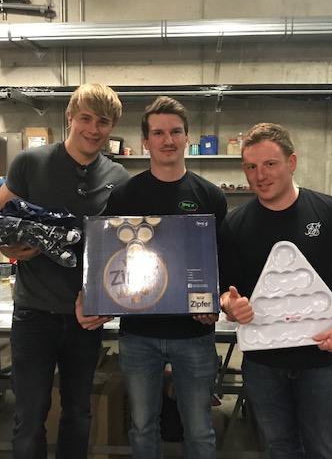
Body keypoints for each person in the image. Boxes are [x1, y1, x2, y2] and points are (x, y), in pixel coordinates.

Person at [218, 122, 332, 459]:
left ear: (291, 163)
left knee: (322, 449)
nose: (260, 175)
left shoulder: (331, 212)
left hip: (320, 359)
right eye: (251, 167)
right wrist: (229, 305)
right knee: (280, 448)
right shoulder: (235, 224)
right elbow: (225, 289)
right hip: (263, 363)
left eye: (270, 164)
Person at [77, 96, 227, 458]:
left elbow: (224, 261)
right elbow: (104, 256)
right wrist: (91, 297)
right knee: (143, 427)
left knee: (199, 430)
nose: (168, 140)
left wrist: (217, 300)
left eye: (175, 131)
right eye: (158, 133)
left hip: (194, 334)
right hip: (139, 335)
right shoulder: (125, 195)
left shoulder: (210, 196)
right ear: (146, 141)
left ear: (187, 137)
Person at [0, 83, 129, 459]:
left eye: (103, 122)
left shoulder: (119, 177)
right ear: (70, 117)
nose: (93, 129)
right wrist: (11, 249)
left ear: (112, 127)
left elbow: (121, 252)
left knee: (78, 414)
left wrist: (107, 302)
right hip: (34, 315)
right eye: (86, 118)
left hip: (86, 320)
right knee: (30, 417)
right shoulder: (29, 163)